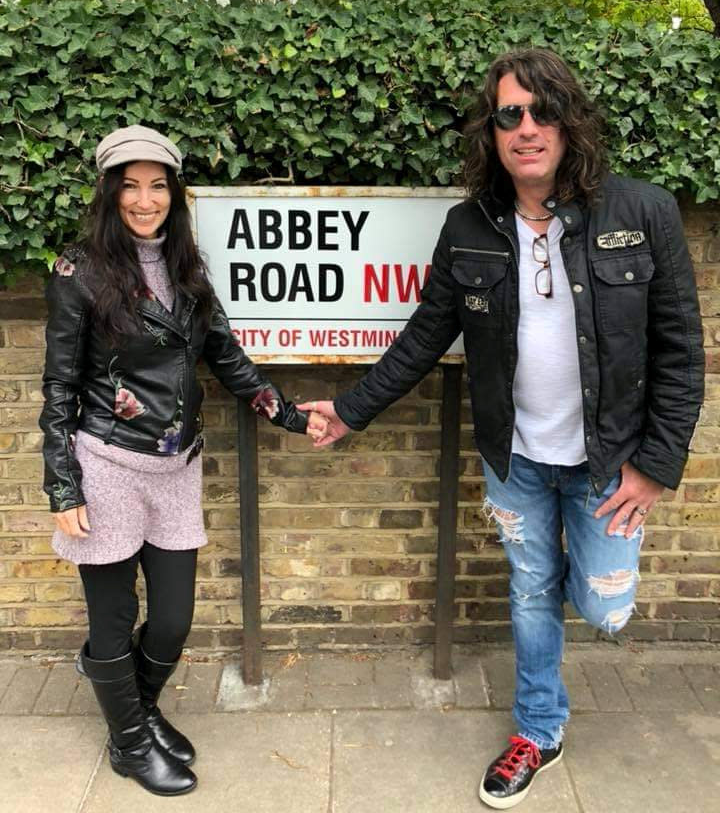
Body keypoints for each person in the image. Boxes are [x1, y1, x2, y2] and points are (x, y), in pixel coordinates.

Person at [300, 49, 704, 809]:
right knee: (529, 587)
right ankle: (539, 728)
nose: (526, 128)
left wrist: (656, 465)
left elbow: (682, 352)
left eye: (541, 110)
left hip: (609, 460)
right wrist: (349, 411)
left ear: (570, 119)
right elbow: (424, 337)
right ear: (490, 133)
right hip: (514, 456)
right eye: (508, 115)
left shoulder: (642, 214)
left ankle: (581, 611)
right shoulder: (468, 228)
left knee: (604, 604)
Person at [40, 125, 327, 797]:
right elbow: (57, 385)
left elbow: (226, 357)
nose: (145, 200)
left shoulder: (187, 269)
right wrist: (62, 484)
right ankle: (131, 743)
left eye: (158, 185)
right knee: (112, 620)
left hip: (177, 464)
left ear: (174, 192)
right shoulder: (77, 272)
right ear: (110, 193)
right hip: (106, 462)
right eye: (131, 186)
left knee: (172, 619)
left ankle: (135, 709)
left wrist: (289, 414)